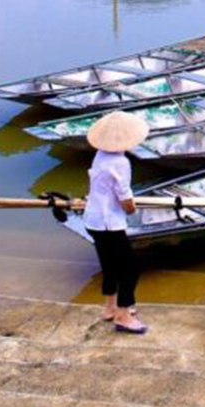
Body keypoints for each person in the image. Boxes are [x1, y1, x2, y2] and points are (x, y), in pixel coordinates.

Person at [82, 110, 150, 334]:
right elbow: (124, 197)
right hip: (109, 222)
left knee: (110, 265)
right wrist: (132, 208)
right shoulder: (121, 162)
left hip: (93, 219)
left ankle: (110, 308)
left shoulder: (100, 154)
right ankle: (122, 316)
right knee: (131, 269)